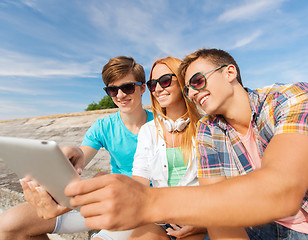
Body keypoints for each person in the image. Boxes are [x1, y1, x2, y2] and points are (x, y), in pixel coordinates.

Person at [63, 48, 308, 239]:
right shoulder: (209, 130)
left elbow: (282, 190)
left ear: (230, 72)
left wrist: (149, 203)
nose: (193, 92)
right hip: (247, 222)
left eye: (198, 81)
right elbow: (216, 205)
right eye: (189, 87)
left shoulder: (288, 98)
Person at [0, 56, 153, 240]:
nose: (120, 95)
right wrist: (68, 157)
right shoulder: (103, 126)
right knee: (9, 224)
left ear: (143, 88)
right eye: (112, 90)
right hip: (104, 200)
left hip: (140, 204)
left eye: (127, 87)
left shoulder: (159, 125)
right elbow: (81, 154)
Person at [128, 56, 206, 240]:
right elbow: (139, 181)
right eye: (153, 84)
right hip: (160, 216)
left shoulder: (205, 127)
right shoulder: (148, 131)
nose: (157, 89)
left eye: (164, 81)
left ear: (182, 82)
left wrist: (204, 220)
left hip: (199, 214)